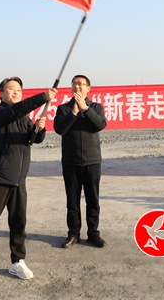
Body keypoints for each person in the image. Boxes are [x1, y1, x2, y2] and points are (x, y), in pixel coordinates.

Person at [0, 76, 57, 288]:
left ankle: (17, 261)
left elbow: (31, 140)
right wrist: (42, 98)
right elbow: (14, 112)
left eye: (19, 89)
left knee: (18, 222)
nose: (16, 92)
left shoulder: (23, 118)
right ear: (1, 93)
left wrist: (39, 129)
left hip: (19, 179)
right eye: (11, 88)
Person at [53, 74, 108, 249]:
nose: (77, 86)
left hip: (92, 161)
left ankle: (93, 234)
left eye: (81, 84)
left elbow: (100, 124)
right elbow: (59, 129)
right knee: (72, 201)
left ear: (88, 88)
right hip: (71, 162)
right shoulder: (63, 109)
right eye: (74, 83)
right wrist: (74, 113)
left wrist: (85, 108)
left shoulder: (96, 107)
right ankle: (73, 234)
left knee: (92, 200)